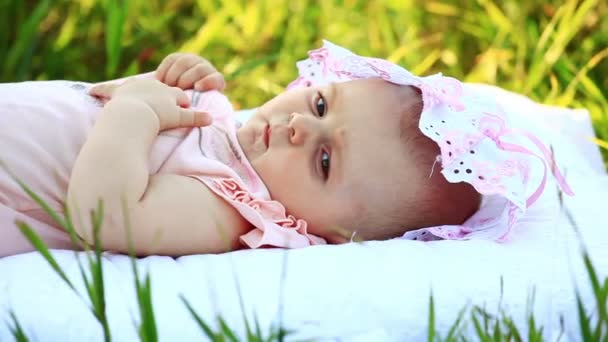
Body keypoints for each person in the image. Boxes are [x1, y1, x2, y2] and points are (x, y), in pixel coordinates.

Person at [0, 41, 573, 257]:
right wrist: (160, 81)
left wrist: (136, 112)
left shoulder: (227, 206)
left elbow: (102, 217)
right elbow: (106, 107)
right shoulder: (222, 124)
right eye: (321, 106)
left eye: (324, 162)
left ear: (320, 232)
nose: (300, 126)